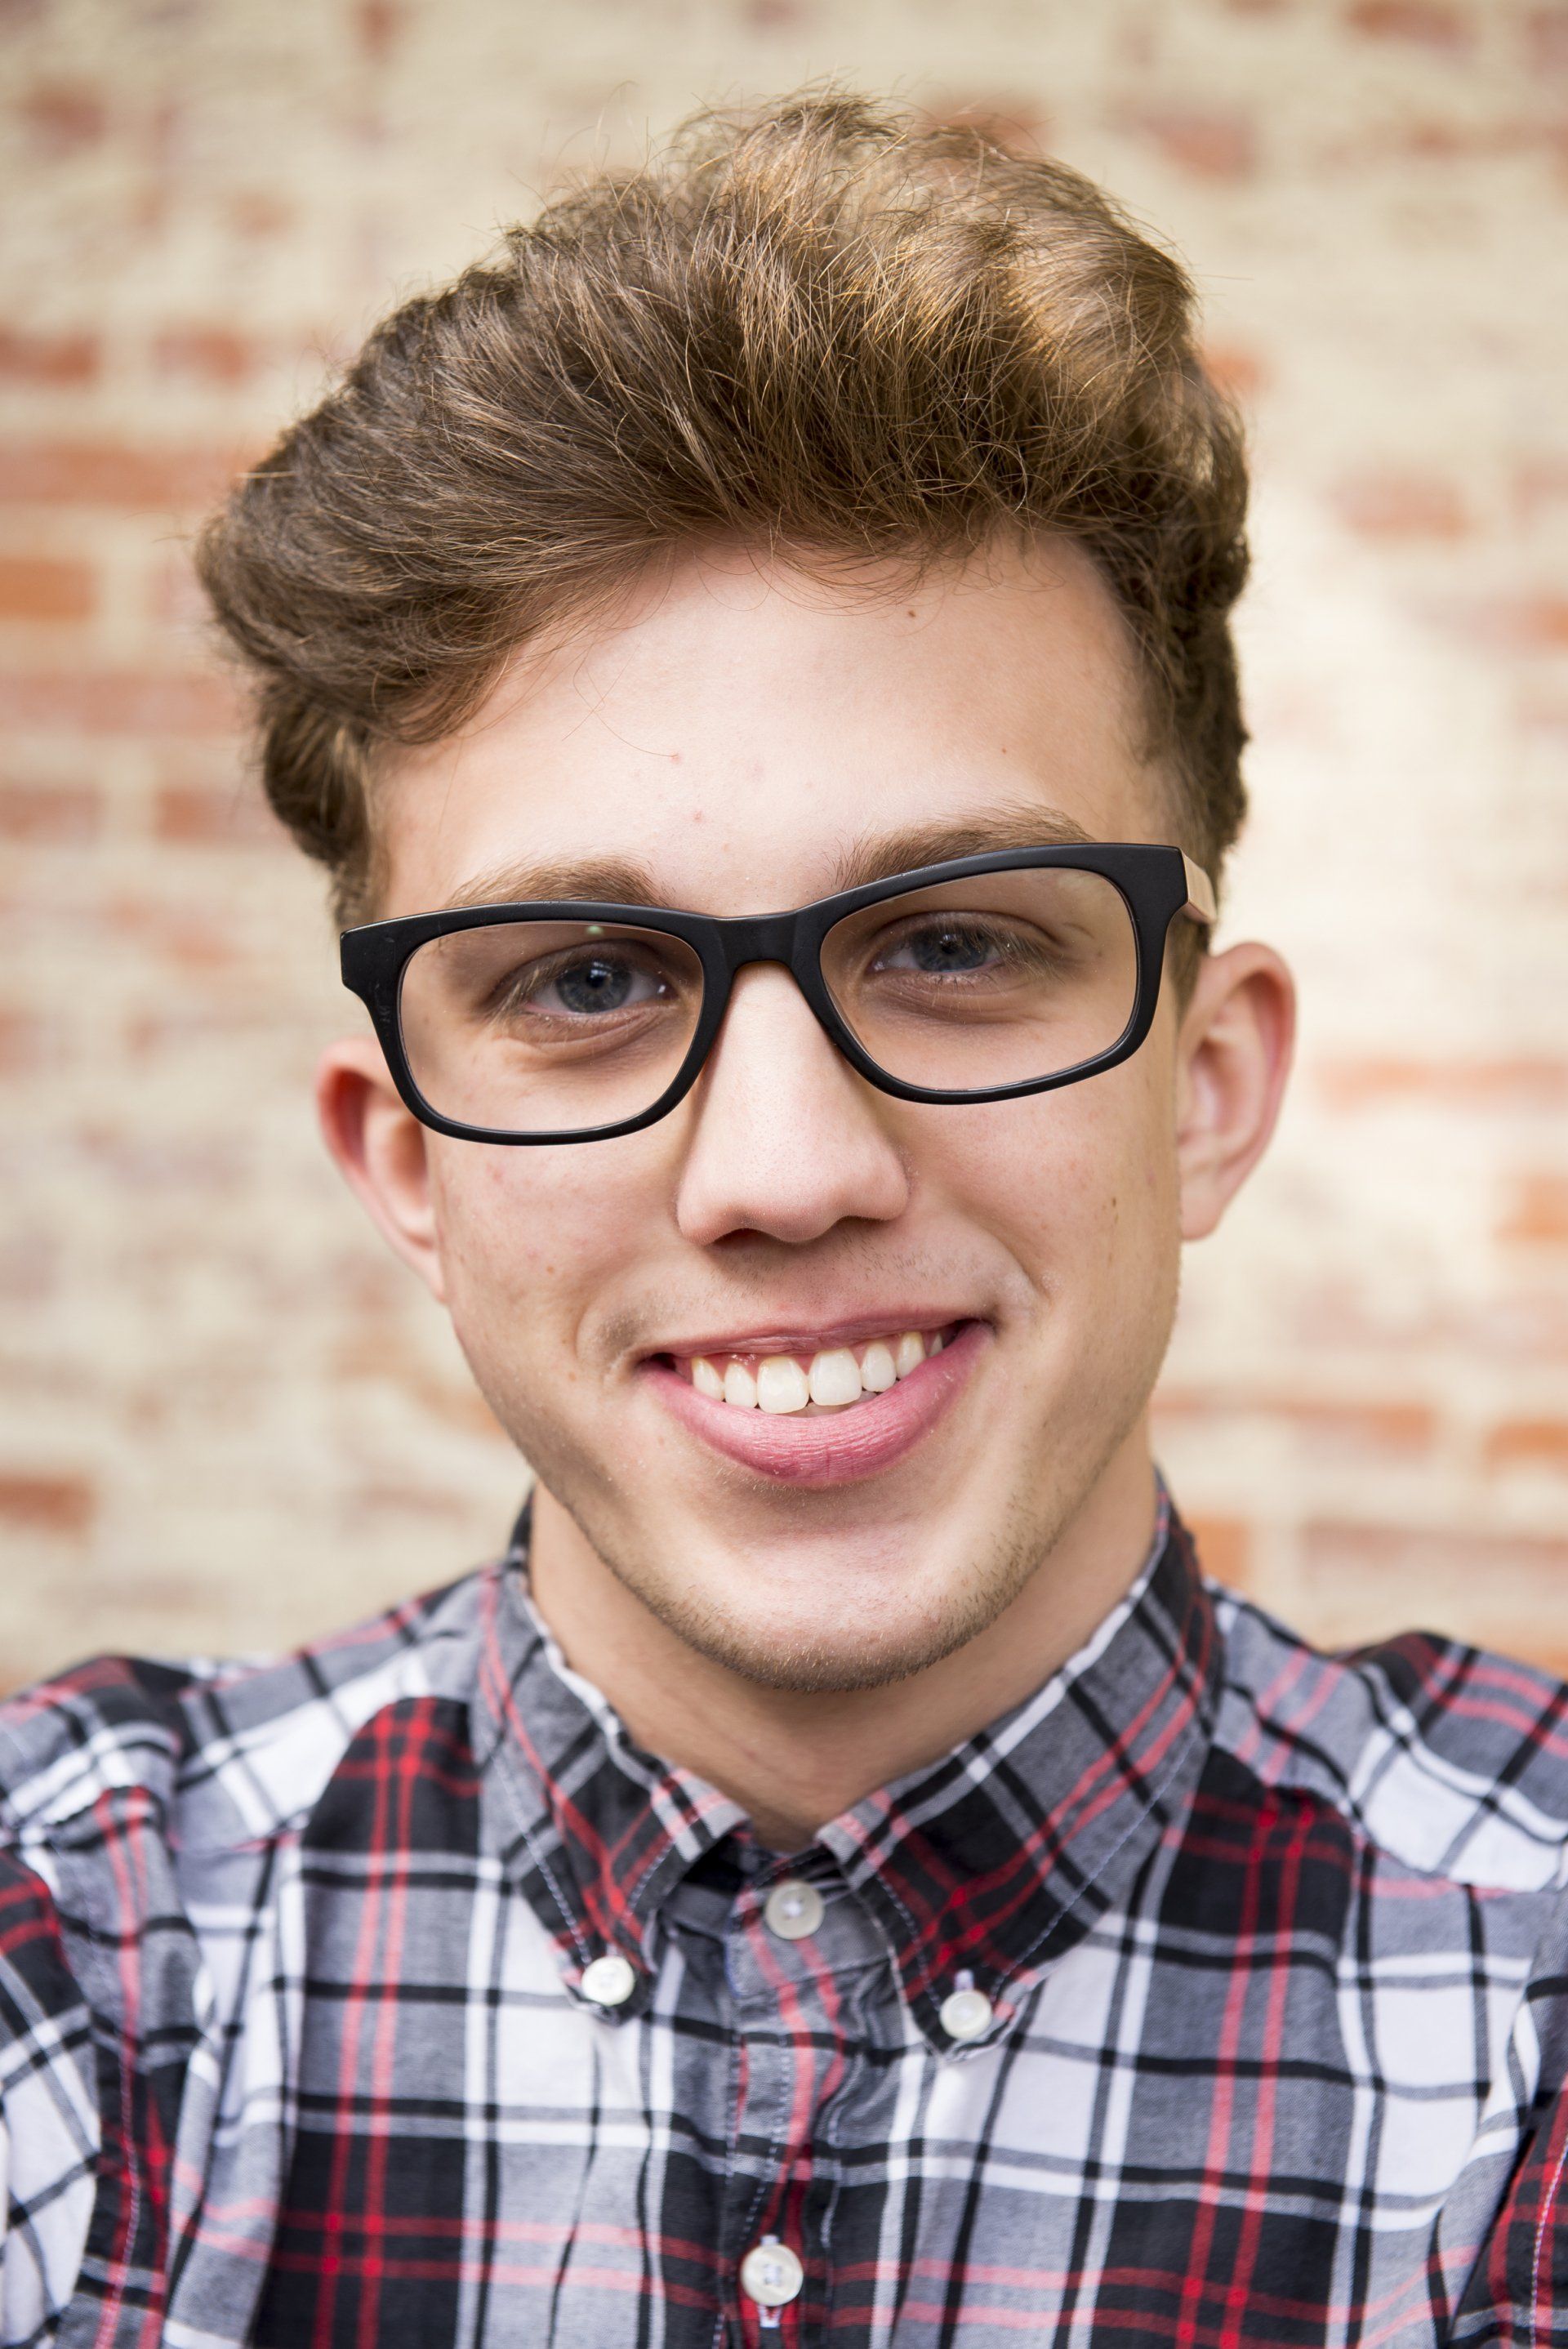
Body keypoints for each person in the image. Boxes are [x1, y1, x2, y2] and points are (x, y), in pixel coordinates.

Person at [1, 89, 1562, 2349]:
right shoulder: (78, 1956)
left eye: (951, 943)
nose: (784, 1169)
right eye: (590, 983)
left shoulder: (1531, 2017)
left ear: (1206, 1090)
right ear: (407, 1159)